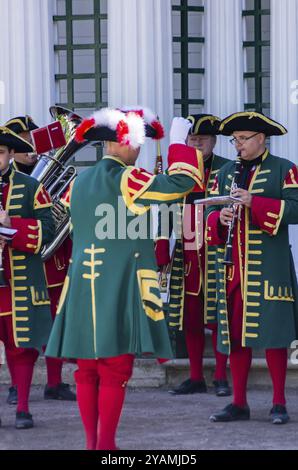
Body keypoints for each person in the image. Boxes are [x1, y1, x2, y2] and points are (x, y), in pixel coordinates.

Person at [46, 108, 205, 450]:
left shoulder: (78, 182)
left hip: (81, 283)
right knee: (115, 371)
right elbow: (181, 184)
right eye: (139, 142)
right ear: (126, 143)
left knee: (86, 372)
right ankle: (106, 446)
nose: (140, 149)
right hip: (116, 284)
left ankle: (92, 444)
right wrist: (178, 144)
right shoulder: (127, 178)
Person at [205, 111, 298, 424]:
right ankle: (239, 403)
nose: (238, 145)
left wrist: (253, 203)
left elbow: (296, 209)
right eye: (235, 140)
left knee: (274, 335)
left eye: (243, 139)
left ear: (261, 138)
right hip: (232, 269)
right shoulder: (225, 172)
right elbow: (209, 214)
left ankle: (279, 403)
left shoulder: (285, 169)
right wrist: (219, 219)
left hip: (268, 267)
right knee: (234, 335)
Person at [155, 114, 230, 396]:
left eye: (202, 140)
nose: (197, 145)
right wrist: (162, 242)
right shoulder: (180, 169)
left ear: (213, 141)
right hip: (187, 250)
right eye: (192, 140)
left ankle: (221, 376)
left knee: (221, 315)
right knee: (190, 316)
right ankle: (196, 376)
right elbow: (165, 205)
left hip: (218, 250)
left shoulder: (227, 168)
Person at [4, 115, 75, 404]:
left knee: (54, 322)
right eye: (24, 143)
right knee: (17, 330)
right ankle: (16, 385)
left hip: (51, 260)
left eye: (33, 141)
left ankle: (55, 382)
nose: (31, 148)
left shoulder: (46, 176)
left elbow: (59, 217)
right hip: (15, 264)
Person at [0, 126, 55, 428]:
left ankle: (23, 407)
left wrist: (12, 226)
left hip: (18, 282)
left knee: (21, 347)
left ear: (10, 155)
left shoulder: (32, 186)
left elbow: (48, 229)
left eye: (0, 152)